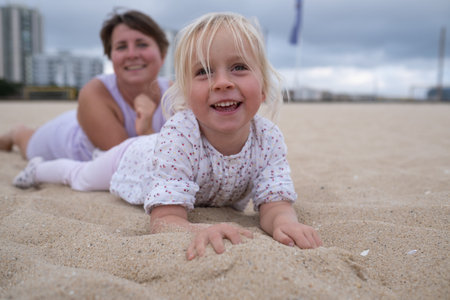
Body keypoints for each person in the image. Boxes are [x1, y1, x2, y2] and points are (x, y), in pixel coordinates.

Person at [13, 12, 323, 260]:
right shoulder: (180, 133)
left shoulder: (268, 138)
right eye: (203, 72)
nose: (222, 83)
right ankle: (38, 168)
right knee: (80, 176)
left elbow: (274, 202)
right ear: (185, 94)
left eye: (239, 67)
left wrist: (284, 222)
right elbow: (166, 219)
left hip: (153, 149)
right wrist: (193, 230)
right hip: (131, 158)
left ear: (265, 85)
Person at [0, 9, 170, 161]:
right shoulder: (95, 91)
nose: (132, 54)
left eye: (142, 44)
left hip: (89, 118)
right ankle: (16, 132)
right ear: (111, 57)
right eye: (121, 46)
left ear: (162, 54)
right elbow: (128, 163)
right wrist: (146, 127)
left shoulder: (173, 93)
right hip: (65, 141)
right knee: (28, 142)